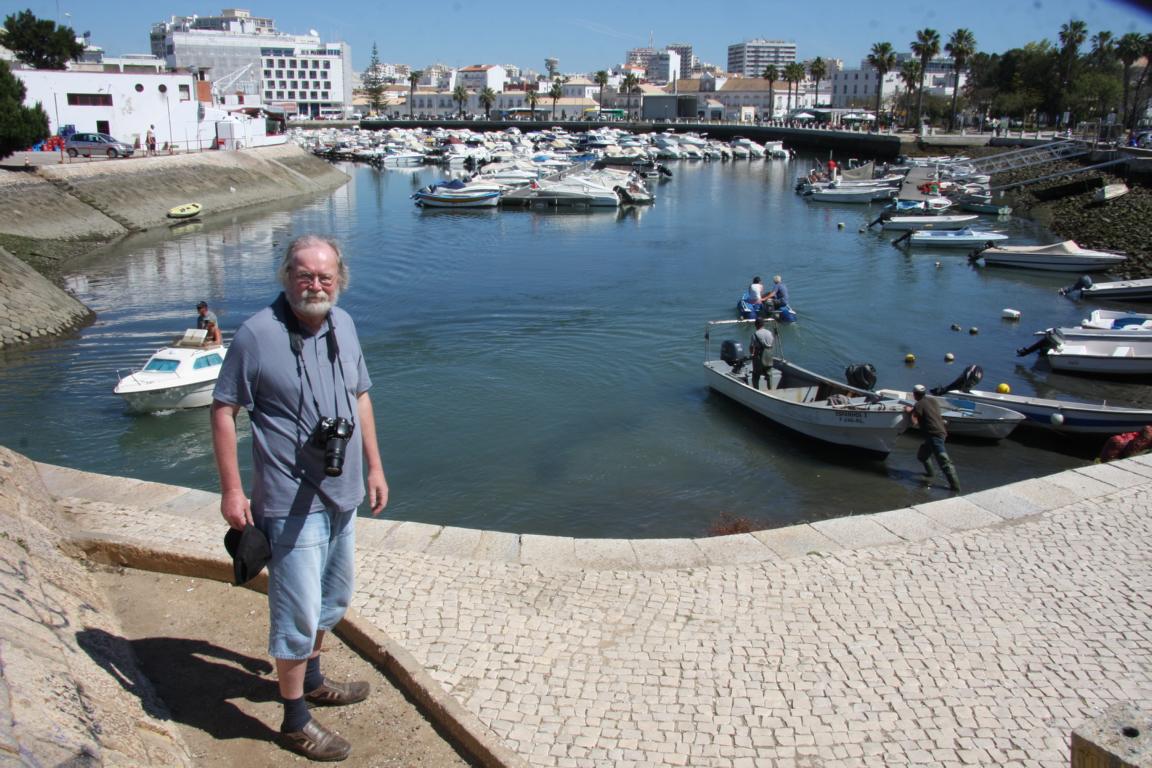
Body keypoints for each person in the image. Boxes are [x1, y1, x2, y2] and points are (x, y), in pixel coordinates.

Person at [210, 234, 388, 762]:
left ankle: (311, 681)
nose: (315, 285)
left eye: (324, 277)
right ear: (286, 276)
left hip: (343, 494)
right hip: (290, 502)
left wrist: (375, 467)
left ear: (339, 280)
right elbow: (223, 409)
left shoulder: (344, 324)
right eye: (304, 275)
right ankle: (294, 722)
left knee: (332, 600)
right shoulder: (257, 334)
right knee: (296, 613)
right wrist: (232, 489)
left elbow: (360, 397)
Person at [905, 384, 961, 493]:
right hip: (941, 432)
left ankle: (956, 488)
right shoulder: (933, 400)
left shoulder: (919, 404)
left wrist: (910, 412)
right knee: (922, 456)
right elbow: (928, 411)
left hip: (934, 435)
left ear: (914, 394)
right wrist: (914, 410)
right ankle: (930, 475)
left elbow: (913, 421)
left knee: (944, 461)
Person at [749, 316, 775, 390]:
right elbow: (771, 344)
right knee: (769, 375)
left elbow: (752, 347)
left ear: (756, 325)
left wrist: (752, 354)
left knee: (756, 375)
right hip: (769, 357)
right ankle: (771, 390)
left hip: (759, 358)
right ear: (763, 324)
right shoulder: (769, 333)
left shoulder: (755, 334)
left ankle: (756, 390)